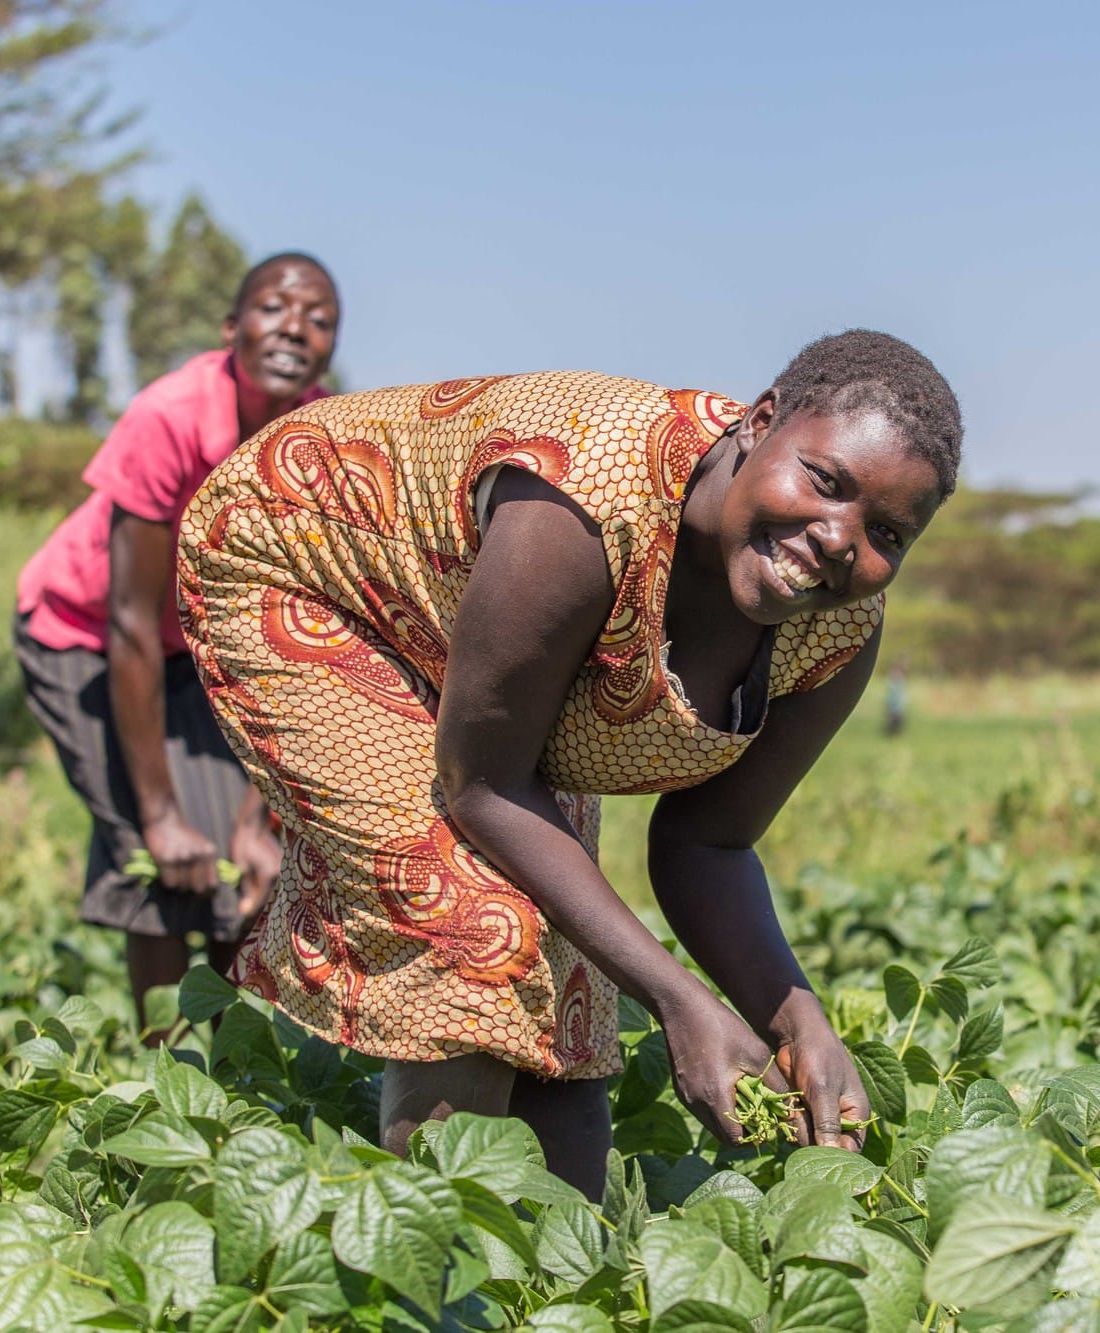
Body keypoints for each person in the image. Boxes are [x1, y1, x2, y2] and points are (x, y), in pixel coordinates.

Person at [176, 331, 960, 1196]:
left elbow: (709, 844)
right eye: (825, 481)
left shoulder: (838, 626)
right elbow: (482, 784)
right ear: (758, 422)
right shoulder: (587, 501)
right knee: (473, 923)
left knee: (569, 982)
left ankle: (562, 1289)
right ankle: (434, 1277)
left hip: (472, 625)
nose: (838, 539)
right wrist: (680, 1000)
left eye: (885, 530)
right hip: (303, 557)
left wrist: (793, 1015)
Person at [14, 253, 340, 1035]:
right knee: (162, 858)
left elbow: (291, 633)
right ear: (232, 329)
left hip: (197, 647)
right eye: (272, 308)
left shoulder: (316, 436)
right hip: (85, 636)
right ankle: (164, 1078)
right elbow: (126, 617)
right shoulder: (170, 416)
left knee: (247, 871)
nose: (295, 326)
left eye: (320, 317)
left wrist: (258, 818)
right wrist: (160, 815)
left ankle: (227, 1078)